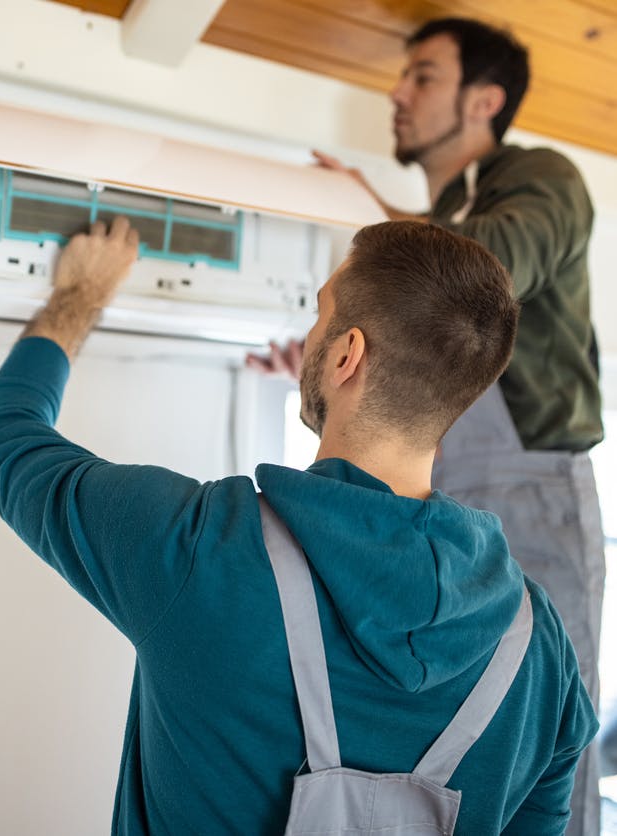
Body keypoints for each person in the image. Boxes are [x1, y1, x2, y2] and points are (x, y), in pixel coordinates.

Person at [0, 216, 597, 834]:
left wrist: (81, 294)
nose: (311, 331)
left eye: (320, 312)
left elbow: (0, 441)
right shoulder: (540, 650)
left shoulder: (199, 547)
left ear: (347, 353)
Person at [249, 18, 606, 834]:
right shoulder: (450, 206)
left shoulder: (540, 176)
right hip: (444, 483)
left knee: (550, 726)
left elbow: (476, 280)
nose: (396, 94)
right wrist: (331, 361)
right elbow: (434, 309)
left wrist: (380, 251)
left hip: (531, 481)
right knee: (450, 723)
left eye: (420, 77)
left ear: (483, 100)